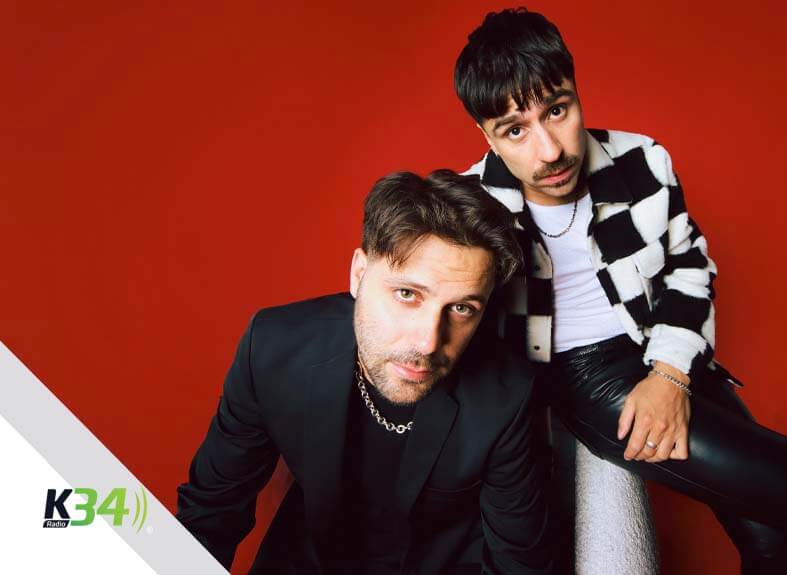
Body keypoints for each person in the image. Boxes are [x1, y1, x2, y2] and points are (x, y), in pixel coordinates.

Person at [455, 8, 787, 574]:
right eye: (515, 130)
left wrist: (669, 373)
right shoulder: (470, 208)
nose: (550, 150)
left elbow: (689, 266)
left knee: (780, 542)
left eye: (557, 110)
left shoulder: (642, 161)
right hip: (588, 377)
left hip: (666, 346)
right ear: (485, 135)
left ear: (577, 92)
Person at [176, 170, 553, 575]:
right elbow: (209, 512)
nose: (429, 342)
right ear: (358, 274)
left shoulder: (507, 395)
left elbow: (519, 565)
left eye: (462, 308)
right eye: (407, 294)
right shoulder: (274, 348)